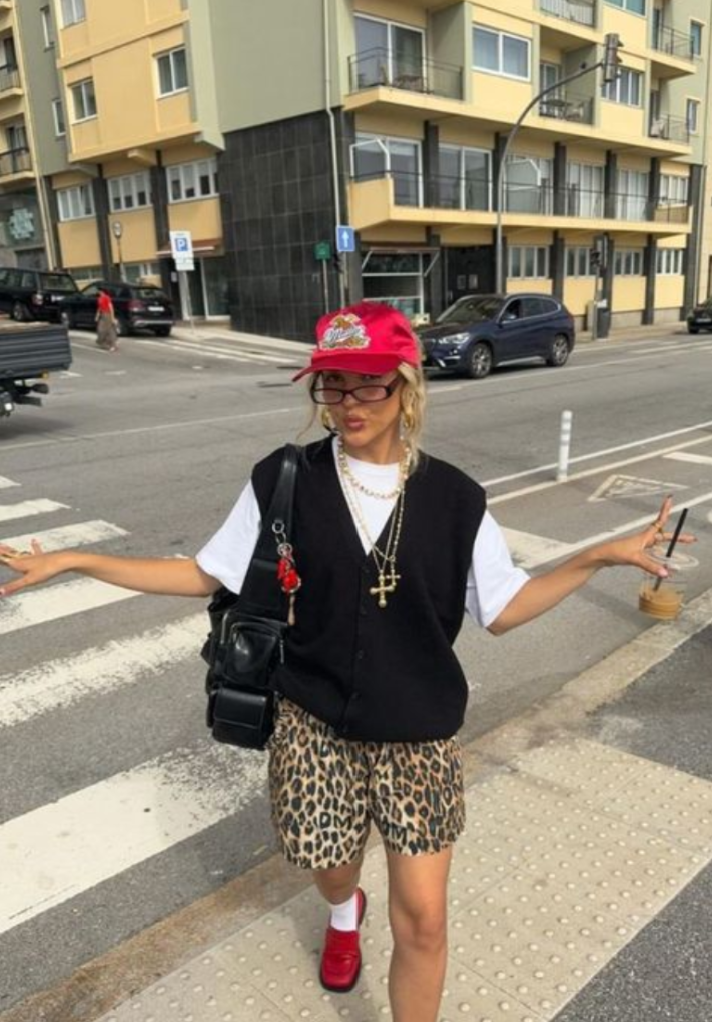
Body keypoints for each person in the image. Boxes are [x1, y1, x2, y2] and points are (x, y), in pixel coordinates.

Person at [0, 302, 695, 1022]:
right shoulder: (284, 479)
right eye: (332, 384)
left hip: (419, 729)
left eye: (367, 383)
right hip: (313, 724)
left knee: (423, 918)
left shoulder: (456, 499)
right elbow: (205, 573)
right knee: (330, 867)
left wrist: (597, 557)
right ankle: (342, 910)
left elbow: (504, 608)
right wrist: (76, 560)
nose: (348, 403)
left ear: (406, 385)